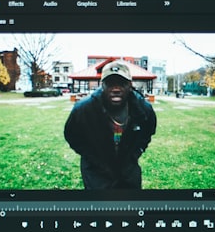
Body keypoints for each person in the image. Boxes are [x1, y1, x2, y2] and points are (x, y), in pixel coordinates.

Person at [64, 60, 157, 189]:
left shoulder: (143, 108)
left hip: (128, 168)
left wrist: (136, 152)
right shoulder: (83, 109)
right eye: (110, 84)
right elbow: (72, 135)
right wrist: (91, 158)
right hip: (96, 171)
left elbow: (148, 132)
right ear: (102, 85)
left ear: (130, 85)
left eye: (122, 83)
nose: (116, 89)